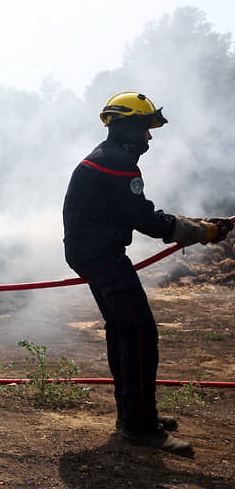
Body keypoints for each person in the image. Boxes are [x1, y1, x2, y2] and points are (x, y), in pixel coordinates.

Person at [63, 92, 233, 458]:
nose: (149, 137)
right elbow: (146, 220)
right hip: (102, 255)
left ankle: (132, 416)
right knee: (140, 333)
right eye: (145, 128)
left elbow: (138, 213)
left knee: (123, 330)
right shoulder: (117, 162)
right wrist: (201, 232)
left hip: (93, 252)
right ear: (127, 128)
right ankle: (139, 426)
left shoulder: (107, 158)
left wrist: (198, 225)